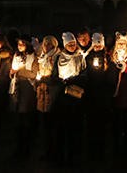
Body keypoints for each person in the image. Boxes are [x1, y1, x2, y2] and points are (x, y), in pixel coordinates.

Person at [50, 32, 86, 167]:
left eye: (74, 44)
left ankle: (73, 156)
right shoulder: (59, 57)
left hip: (75, 97)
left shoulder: (80, 57)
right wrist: (62, 82)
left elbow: (84, 73)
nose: (72, 46)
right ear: (65, 45)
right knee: (61, 127)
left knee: (75, 128)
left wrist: (74, 80)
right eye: (69, 44)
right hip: (62, 97)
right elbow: (53, 75)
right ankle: (59, 155)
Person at [107, 31, 127, 168]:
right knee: (115, 126)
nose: (121, 46)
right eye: (119, 43)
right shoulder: (110, 57)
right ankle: (115, 152)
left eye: (123, 44)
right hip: (114, 97)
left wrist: (126, 70)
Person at [9, 36, 39, 160]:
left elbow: (34, 73)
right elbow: (12, 71)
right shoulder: (16, 56)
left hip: (27, 88)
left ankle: (26, 148)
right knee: (18, 119)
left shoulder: (33, 57)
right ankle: (18, 146)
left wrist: (19, 72)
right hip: (17, 87)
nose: (20, 46)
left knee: (26, 117)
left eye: (22, 43)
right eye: (19, 43)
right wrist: (12, 73)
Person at [84, 32, 111, 162]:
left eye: (99, 43)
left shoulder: (108, 57)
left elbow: (111, 77)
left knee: (102, 123)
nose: (97, 46)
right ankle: (91, 150)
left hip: (103, 95)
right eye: (95, 43)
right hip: (91, 94)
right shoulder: (88, 56)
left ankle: (101, 150)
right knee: (91, 123)